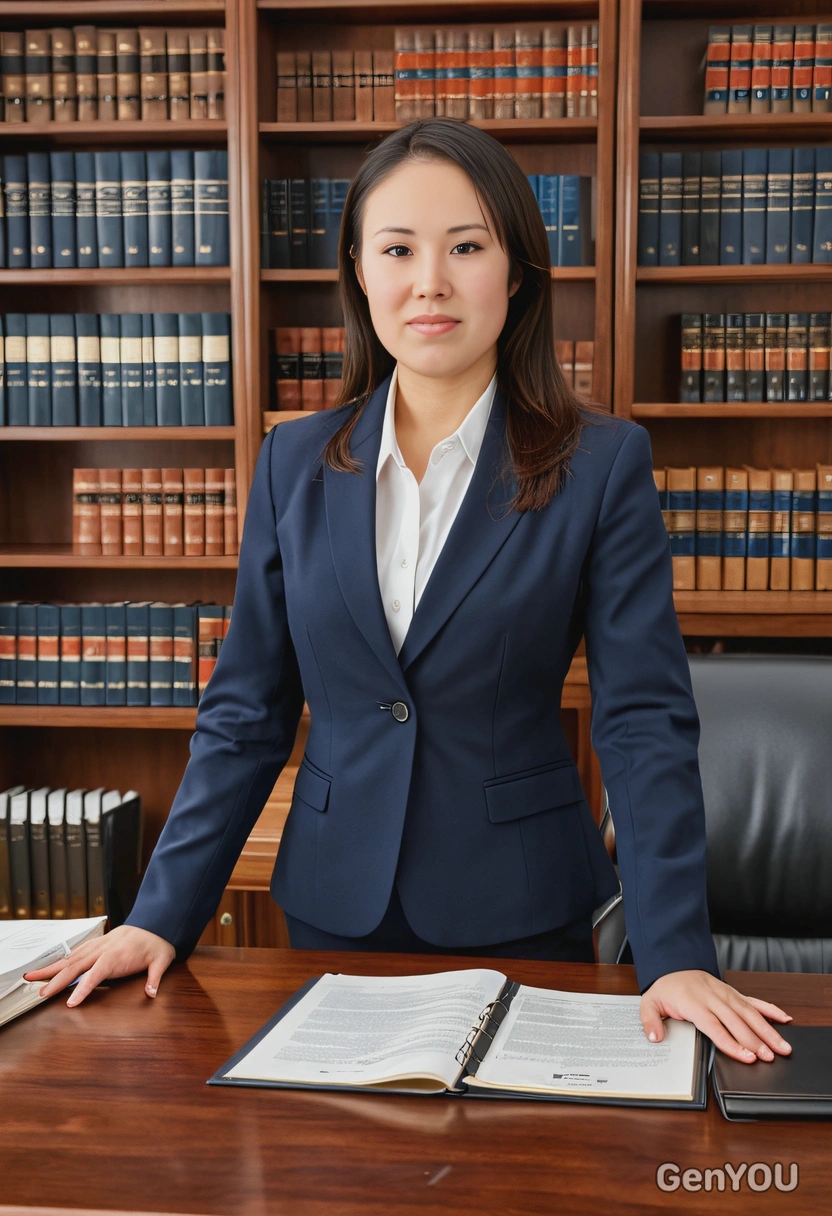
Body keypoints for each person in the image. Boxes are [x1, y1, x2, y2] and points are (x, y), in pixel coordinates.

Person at [26, 118, 792, 1067]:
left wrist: (675, 953)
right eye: (397, 250)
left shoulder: (599, 465)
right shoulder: (293, 461)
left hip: (522, 909)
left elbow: (642, 720)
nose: (430, 281)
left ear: (517, 273)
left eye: (466, 247)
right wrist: (159, 916)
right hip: (333, 906)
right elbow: (247, 712)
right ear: (358, 272)